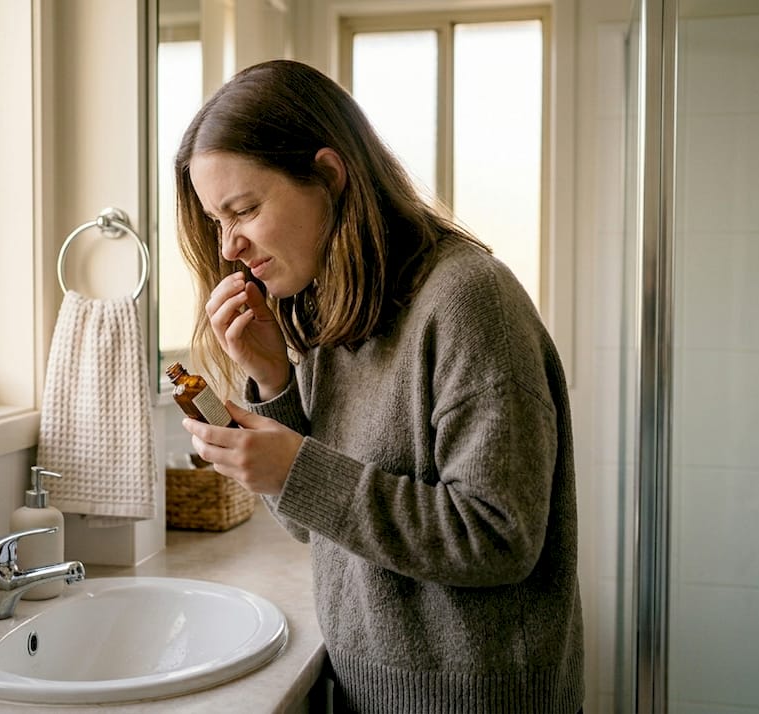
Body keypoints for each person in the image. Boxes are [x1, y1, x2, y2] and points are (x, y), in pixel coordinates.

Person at [173, 59, 583, 713]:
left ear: (330, 176)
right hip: (366, 690)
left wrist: (298, 467)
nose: (229, 247)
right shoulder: (326, 309)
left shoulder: (470, 298)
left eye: (243, 209)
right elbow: (320, 524)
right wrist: (273, 377)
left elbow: (500, 538)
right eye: (217, 221)